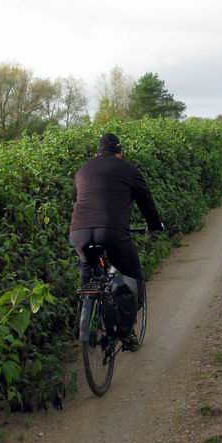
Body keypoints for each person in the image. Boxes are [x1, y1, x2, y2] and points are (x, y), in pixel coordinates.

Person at [69, 133, 164, 350]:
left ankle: (87, 314)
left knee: (87, 265)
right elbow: (146, 202)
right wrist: (155, 225)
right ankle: (125, 330)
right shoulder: (129, 169)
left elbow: (76, 199)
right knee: (133, 277)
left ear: (97, 152)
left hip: (78, 232)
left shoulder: (82, 170)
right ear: (119, 153)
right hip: (112, 232)